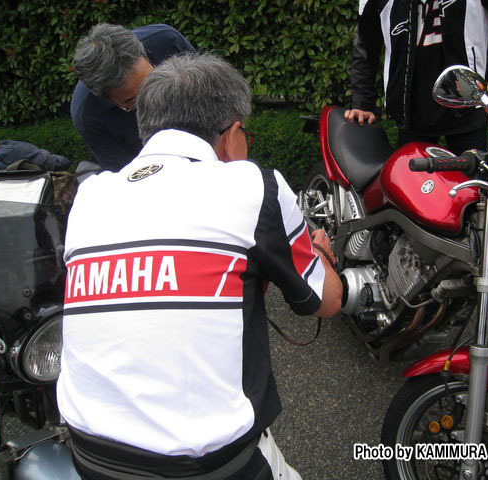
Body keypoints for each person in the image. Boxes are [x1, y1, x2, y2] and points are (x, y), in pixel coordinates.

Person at [57, 52, 343, 479]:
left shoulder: (90, 194)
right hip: (210, 465)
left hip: (89, 456)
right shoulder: (254, 185)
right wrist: (318, 252)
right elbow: (328, 301)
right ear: (232, 133)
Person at [345, 0, 488, 154]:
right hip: (412, 111)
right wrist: (363, 102)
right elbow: (366, 43)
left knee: (472, 185)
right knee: (411, 185)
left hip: (467, 107)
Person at [70, 23, 197, 172]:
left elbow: (213, 97)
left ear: (144, 54)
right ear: (105, 97)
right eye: (134, 100)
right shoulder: (88, 114)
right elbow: (129, 173)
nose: (152, 99)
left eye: (153, 81)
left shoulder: (166, 41)